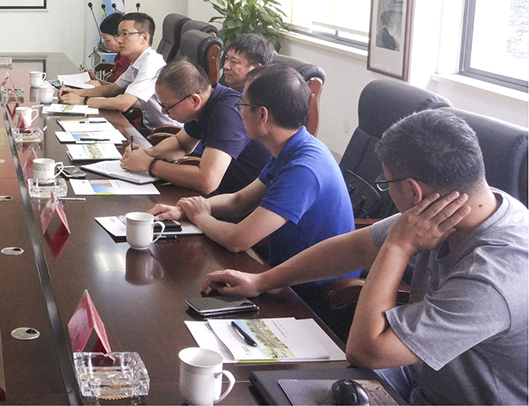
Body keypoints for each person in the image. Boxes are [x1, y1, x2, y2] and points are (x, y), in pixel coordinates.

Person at [202, 109, 528, 405]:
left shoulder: (493, 277)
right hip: (419, 377)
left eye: (387, 183)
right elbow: (353, 248)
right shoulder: (467, 206)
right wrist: (261, 281)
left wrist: (398, 247)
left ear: (413, 191)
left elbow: (366, 352)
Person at [148, 64, 357, 319]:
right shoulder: (291, 146)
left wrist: (200, 217)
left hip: (316, 295)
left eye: (242, 105)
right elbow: (240, 200)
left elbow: (238, 240)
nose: (238, 111)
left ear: (262, 115)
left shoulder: (304, 168)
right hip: (282, 273)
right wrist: (185, 209)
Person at [120, 60, 269, 195]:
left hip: (242, 203)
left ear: (194, 100)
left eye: (167, 106)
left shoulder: (227, 113)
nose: (164, 112)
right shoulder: (206, 103)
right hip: (223, 193)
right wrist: (148, 153)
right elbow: (181, 143)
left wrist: (150, 164)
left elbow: (208, 181)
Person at [58, 12, 176, 130]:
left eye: (125, 34)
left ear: (144, 38)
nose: (119, 40)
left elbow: (123, 103)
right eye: (119, 35)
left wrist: (82, 101)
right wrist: (75, 92)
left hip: (168, 133)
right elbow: (112, 89)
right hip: (151, 128)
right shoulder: (137, 61)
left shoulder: (151, 64)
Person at [86, 13, 130, 86]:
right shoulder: (120, 55)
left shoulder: (128, 59)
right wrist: (95, 79)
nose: (105, 44)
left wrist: (99, 84)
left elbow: (117, 90)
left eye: (107, 40)